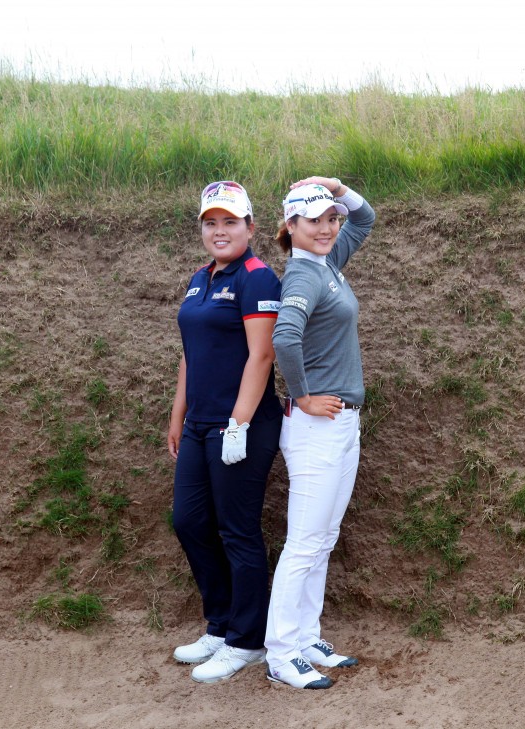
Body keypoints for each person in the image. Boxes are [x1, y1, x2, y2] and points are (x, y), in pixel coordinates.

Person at [167, 181, 283, 683]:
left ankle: (248, 640)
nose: (219, 231)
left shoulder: (258, 278)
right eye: (210, 222)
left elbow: (262, 355)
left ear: (250, 227)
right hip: (199, 426)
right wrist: (179, 414)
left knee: (238, 532)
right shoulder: (199, 279)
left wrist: (237, 423)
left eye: (230, 222)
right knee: (189, 522)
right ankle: (220, 624)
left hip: (244, 426)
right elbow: (190, 353)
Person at [264, 176, 376, 689]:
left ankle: (306, 636)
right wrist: (303, 393)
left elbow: (366, 217)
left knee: (323, 539)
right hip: (316, 425)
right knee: (305, 542)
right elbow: (285, 335)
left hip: (340, 423)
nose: (329, 227)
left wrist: (335, 187)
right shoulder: (304, 275)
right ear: (292, 226)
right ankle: (282, 653)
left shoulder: (326, 261)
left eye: (331, 218)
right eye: (315, 220)